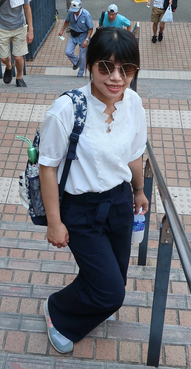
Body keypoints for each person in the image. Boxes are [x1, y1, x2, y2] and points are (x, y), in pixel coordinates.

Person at [39, 27, 148, 354]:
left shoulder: (133, 103)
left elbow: (134, 154)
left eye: (126, 69)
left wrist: (139, 191)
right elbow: (47, 166)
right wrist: (54, 222)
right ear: (89, 65)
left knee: (115, 279)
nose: (116, 77)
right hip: (81, 210)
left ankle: (88, 302)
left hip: (119, 203)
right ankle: (57, 311)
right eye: (106, 67)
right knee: (111, 293)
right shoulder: (67, 109)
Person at [59, 0, 93, 77]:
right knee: (68, 52)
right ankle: (76, 61)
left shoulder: (86, 15)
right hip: (73, 35)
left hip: (83, 36)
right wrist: (62, 30)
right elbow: (66, 21)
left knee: (83, 56)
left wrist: (87, 40)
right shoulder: (71, 12)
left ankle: (80, 73)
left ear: (80, 8)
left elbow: (91, 28)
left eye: (76, 10)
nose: (75, 12)